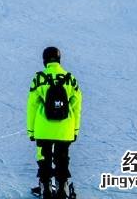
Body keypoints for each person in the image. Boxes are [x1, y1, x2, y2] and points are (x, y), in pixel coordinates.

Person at [27, 47, 82, 199]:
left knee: (44, 158)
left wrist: (31, 131)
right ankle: (62, 188)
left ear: (44, 60)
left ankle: (45, 188)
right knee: (62, 158)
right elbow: (77, 106)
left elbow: (32, 105)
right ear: (59, 59)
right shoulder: (70, 78)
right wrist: (75, 130)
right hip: (64, 129)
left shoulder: (39, 78)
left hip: (43, 129)